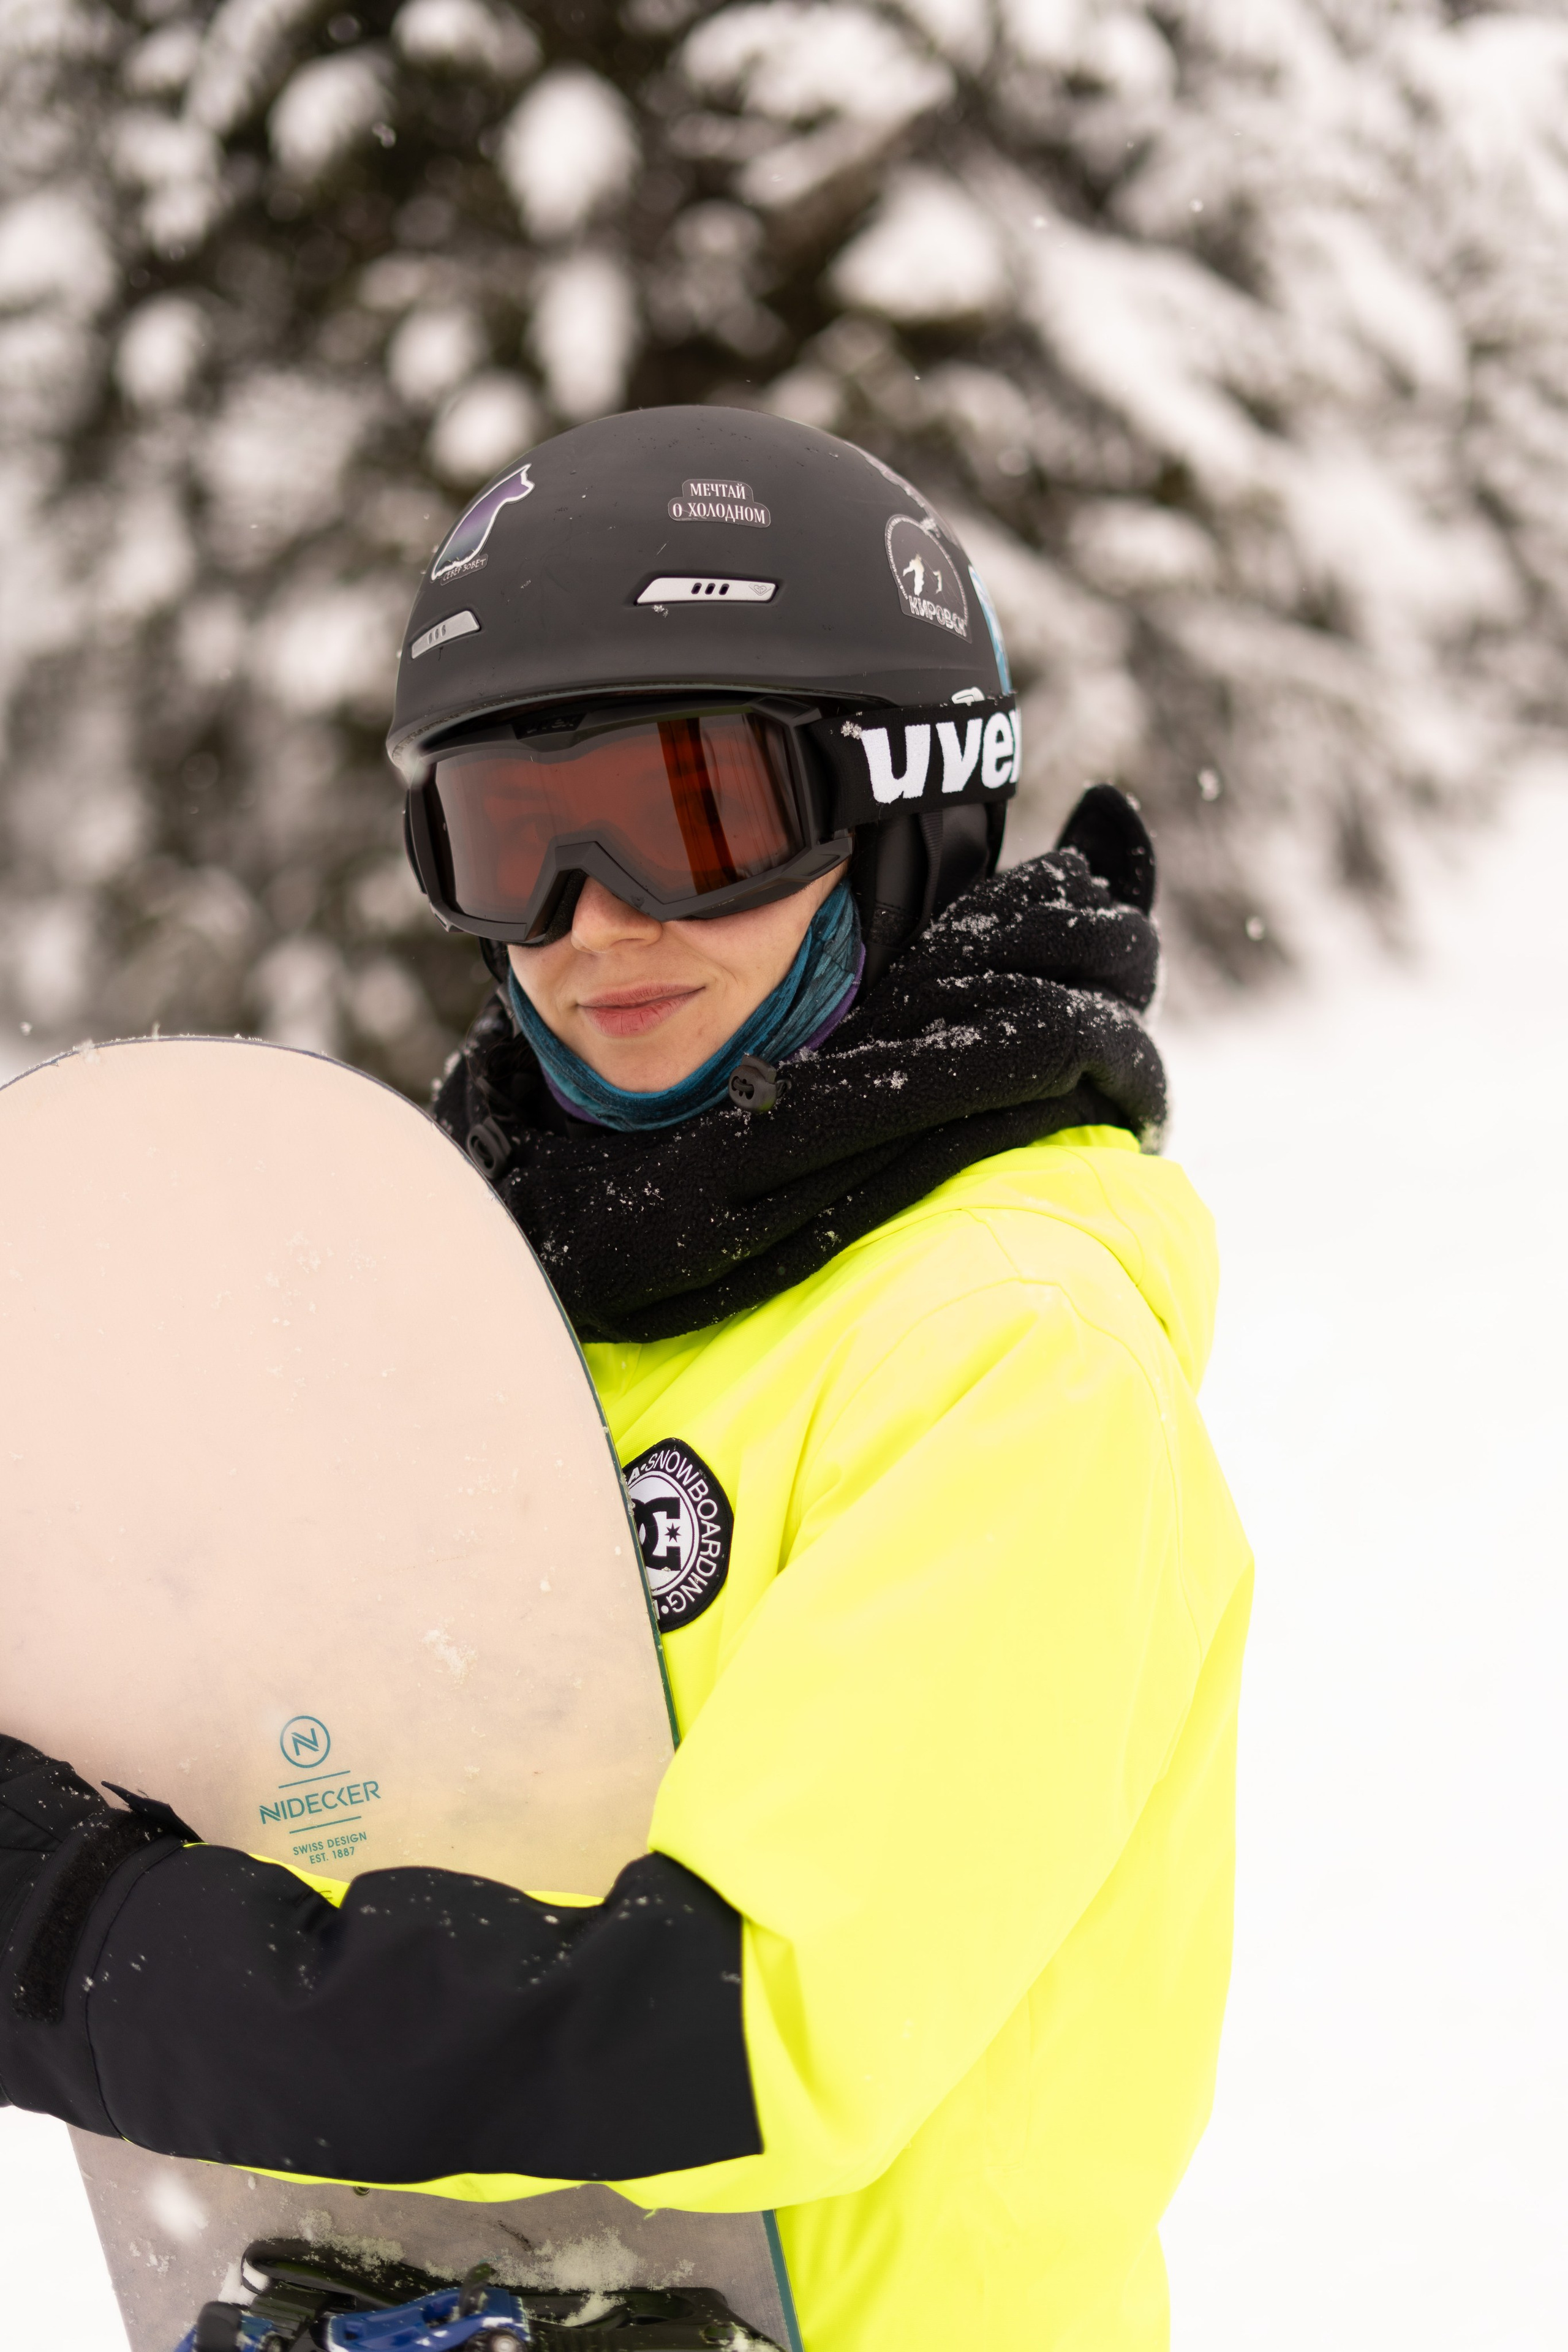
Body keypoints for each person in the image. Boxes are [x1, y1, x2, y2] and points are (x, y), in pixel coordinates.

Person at [0, 409, 1251, 2352]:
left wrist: (88, 1944)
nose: (596, 925)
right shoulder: (525, 1302)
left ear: (903, 797)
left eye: (690, 818)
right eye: (516, 842)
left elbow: (738, 2027)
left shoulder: (1011, 1361)